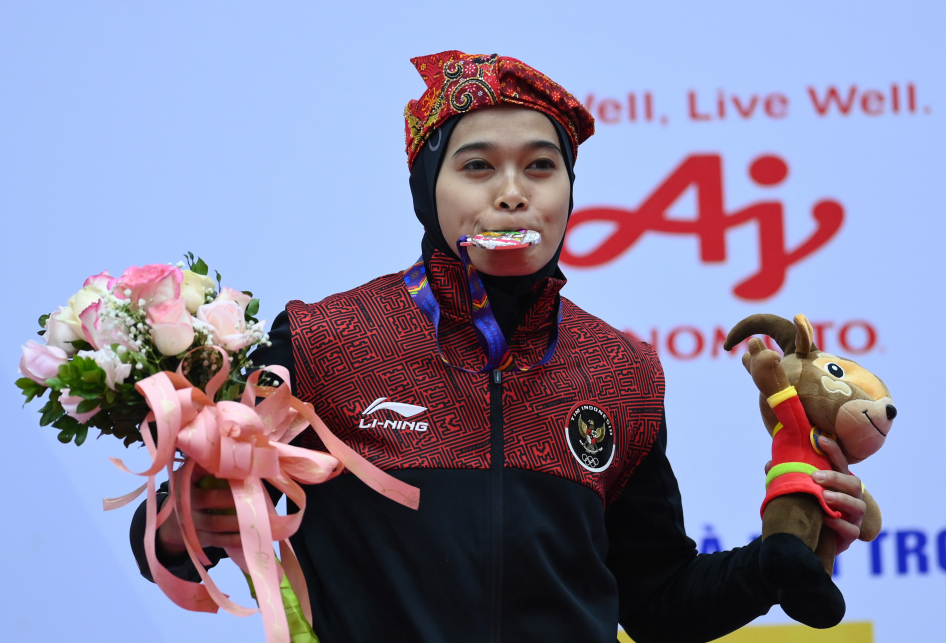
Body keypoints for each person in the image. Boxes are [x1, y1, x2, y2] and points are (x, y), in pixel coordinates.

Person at [130, 50, 872, 642]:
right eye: (477, 165)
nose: (513, 193)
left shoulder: (621, 371)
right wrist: (174, 527)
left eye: (541, 167)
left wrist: (778, 562)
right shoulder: (325, 339)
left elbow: (655, 602)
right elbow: (169, 526)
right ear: (429, 189)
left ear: (569, 194)